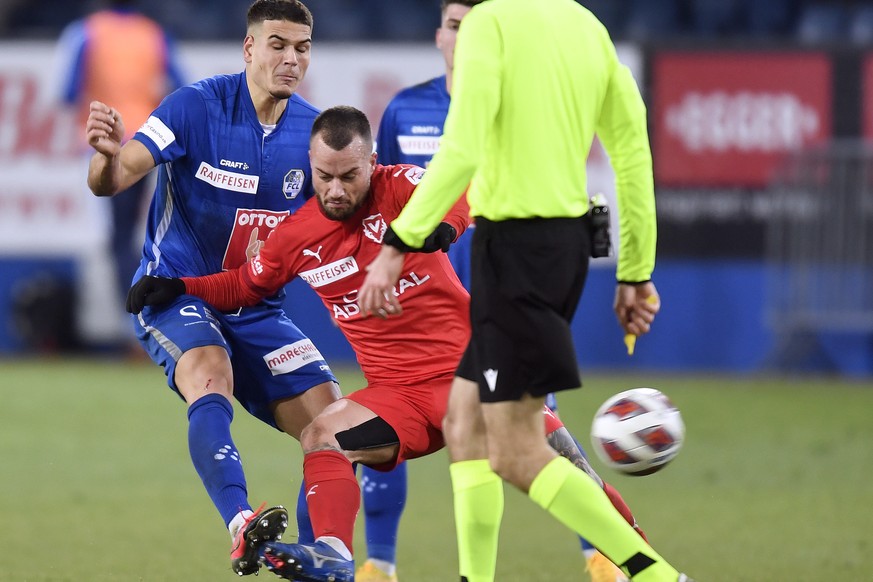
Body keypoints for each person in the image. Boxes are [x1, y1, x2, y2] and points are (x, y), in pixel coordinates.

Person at [125, 105, 652, 582]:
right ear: (310, 163)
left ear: (371, 163)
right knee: (321, 433)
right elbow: (245, 284)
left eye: (350, 176)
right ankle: (333, 552)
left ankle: (642, 560)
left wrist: (446, 226)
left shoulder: (400, 188)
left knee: (566, 469)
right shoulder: (297, 234)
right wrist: (182, 287)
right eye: (324, 176)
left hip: (474, 373)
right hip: (400, 396)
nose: (336, 190)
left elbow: (464, 191)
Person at [358, 0, 695, 581]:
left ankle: (657, 576)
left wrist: (396, 245)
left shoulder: (490, 24)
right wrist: (635, 272)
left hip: (514, 253)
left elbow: (461, 148)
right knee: (464, 422)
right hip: (561, 252)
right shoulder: (588, 28)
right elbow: (633, 156)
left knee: (513, 451)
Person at [85, 0, 342, 576]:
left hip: (254, 304)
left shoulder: (312, 132)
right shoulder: (193, 106)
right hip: (173, 292)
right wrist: (105, 159)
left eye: (301, 48)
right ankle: (240, 522)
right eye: (277, 44)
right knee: (210, 369)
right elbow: (118, 174)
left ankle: (315, 558)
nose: (290, 59)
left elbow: (346, 221)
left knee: (334, 426)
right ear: (249, 48)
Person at [56, 0, 185, 351]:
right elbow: (180, 86)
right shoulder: (153, 34)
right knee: (140, 233)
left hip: (105, 147)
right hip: (146, 144)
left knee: (114, 239)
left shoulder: (85, 32)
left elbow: (66, 91)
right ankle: (148, 317)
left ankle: (136, 324)